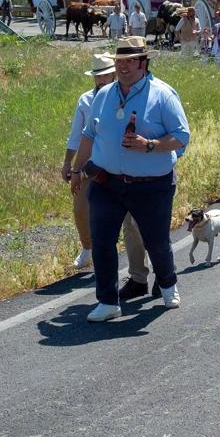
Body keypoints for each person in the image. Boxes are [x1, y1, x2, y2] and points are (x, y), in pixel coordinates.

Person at [70, 36, 190, 322]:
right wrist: (77, 170)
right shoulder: (104, 94)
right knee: (101, 240)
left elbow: (182, 136)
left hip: (151, 184)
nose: (123, 67)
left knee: (156, 240)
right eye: (119, 62)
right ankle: (108, 301)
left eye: (130, 61)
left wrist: (149, 144)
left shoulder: (163, 94)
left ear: (143, 63)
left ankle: (168, 283)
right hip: (106, 181)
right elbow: (89, 135)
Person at [63, 54, 147, 279]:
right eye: (96, 76)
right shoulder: (86, 100)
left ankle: (140, 268)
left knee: (133, 221)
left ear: (113, 74)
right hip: (92, 164)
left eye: (104, 76)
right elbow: (78, 136)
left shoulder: (129, 95)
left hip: (124, 165)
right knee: (81, 207)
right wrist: (69, 165)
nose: (100, 80)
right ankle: (88, 248)